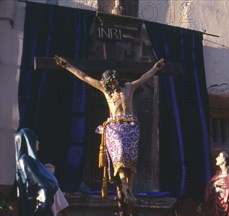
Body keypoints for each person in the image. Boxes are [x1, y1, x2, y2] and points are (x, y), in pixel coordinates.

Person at [54, 55, 165, 205]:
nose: (114, 83)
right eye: (111, 82)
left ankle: (129, 189)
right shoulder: (106, 91)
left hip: (131, 126)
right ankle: (124, 184)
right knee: (119, 153)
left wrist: (155, 68)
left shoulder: (129, 87)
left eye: (115, 80)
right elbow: (85, 77)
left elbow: (143, 78)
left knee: (131, 158)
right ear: (107, 83)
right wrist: (67, 66)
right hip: (115, 128)